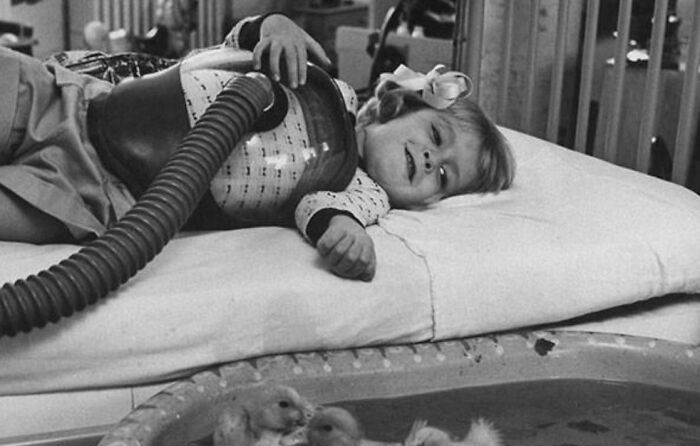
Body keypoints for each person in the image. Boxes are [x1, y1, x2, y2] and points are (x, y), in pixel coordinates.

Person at [0, 13, 513, 282]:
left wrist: (347, 236)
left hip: (105, 193)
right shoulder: (326, 81)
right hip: (78, 101)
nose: (431, 160)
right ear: (400, 106)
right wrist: (275, 26)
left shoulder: (358, 190)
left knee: (20, 214)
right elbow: (234, 47)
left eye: (443, 177)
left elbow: (322, 210)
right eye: (436, 137)